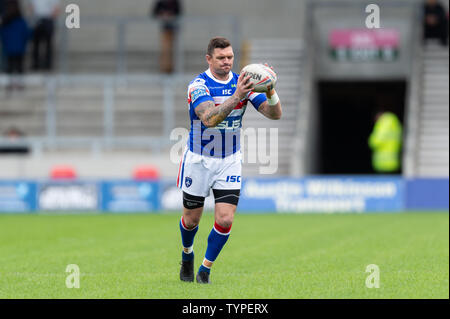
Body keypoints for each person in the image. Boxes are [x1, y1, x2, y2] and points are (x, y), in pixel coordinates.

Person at [177, 37, 282, 284]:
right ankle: (187, 254)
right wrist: (237, 96)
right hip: (199, 160)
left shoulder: (242, 82)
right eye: (221, 58)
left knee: (225, 219)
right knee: (191, 220)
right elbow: (209, 119)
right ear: (209, 59)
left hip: (229, 159)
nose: (227, 62)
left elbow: (275, 114)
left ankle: (205, 269)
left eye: (230, 57)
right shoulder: (198, 85)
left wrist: (270, 89)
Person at [0, 0, 31, 91]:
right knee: (19, 67)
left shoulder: (6, 23)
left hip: (9, 49)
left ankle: (10, 85)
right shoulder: (21, 21)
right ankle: (19, 85)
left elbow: (3, 35)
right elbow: (27, 33)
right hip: (19, 48)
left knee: (10, 67)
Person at [28, 0, 61, 71]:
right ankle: (36, 63)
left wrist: (51, 18)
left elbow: (56, 8)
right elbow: (31, 7)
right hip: (37, 19)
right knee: (36, 43)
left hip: (48, 19)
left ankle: (47, 64)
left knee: (48, 43)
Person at [151, 0, 182, 73]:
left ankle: (170, 67)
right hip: (164, 29)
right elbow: (154, 13)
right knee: (165, 49)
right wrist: (162, 15)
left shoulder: (175, 2)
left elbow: (178, 14)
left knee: (171, 49)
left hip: (173, 28)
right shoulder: (161, 2)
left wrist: (171, 15)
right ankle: (165, 68)